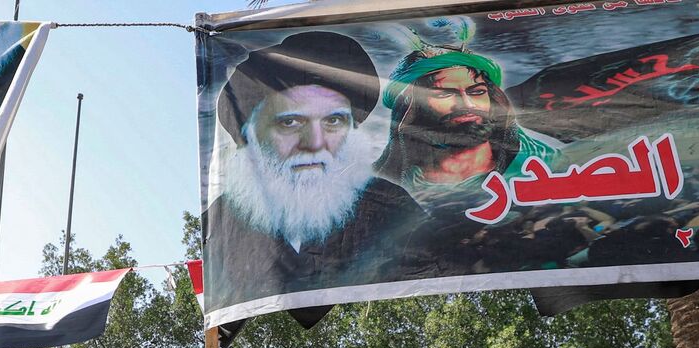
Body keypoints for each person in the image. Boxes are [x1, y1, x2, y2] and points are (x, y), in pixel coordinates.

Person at [205, 31, 426, 310]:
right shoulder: (222, 230)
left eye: (334, 120)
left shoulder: (395, 209)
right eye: (290, 123)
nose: (315, 144)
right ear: (251, 135)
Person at [376, 21, 559, 205]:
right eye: (446, 94)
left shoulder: (545, 163)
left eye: (477, 92)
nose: (468, 104)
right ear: (412, 107)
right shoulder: (385, 189)